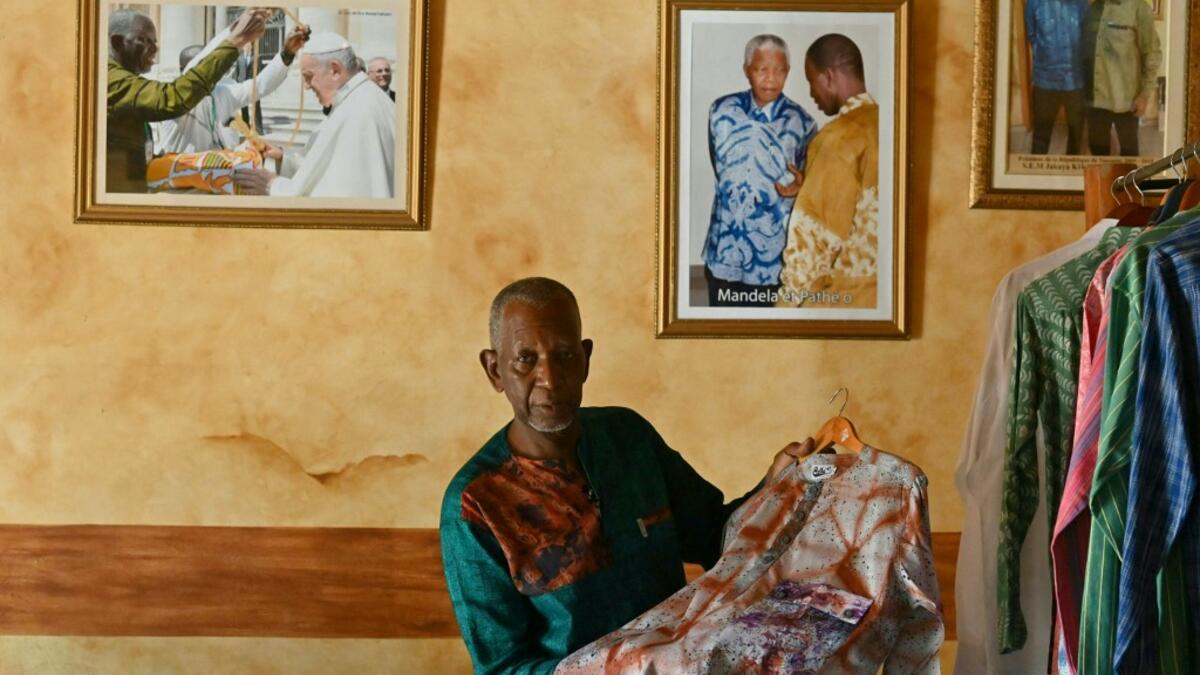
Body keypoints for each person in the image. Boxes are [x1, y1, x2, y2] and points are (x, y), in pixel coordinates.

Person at [440, 277, 811, 674]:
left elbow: (716, 537)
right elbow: (502, 667)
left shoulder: (629, 438)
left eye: (564, 354)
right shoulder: (476, 503)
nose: (549, 377)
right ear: (495, 370)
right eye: (526, 359)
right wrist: (614, 668)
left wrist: (774, 487)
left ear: (586, 358)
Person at [702, 35, 816, 307]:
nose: (770, 78)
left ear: (788, 73)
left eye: (779, 71)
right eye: (762, 69)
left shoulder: (803, 123)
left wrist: (802, 188)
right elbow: (718, 166)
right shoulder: (721, 111)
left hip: (772, 258)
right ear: (747, 70)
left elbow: (808, 180)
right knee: (720, 335)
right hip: (724, 251)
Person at [106, 8, 268, 193]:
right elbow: (172, 98)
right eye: (145, 41)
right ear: (117, 42)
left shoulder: (122, 77)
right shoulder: (109, 78)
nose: (155, 48)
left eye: (155, 41)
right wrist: (236, 40)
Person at [777, 34, 879, 309]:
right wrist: (810, 187)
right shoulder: (891, 126)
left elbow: (811, 246)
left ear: (829, 76)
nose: (812, 94)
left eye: (812, 82)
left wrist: (783, 311)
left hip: (846, 304)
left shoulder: (837, 140)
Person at [232, 32, 395, 198]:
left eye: (309, 77)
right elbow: (327, 168)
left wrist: (272, 186)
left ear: (335, 70)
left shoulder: (359, 114)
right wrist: (284, 158)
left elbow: (338, 200)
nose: (307, 87)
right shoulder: (358, 99)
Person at [157, 23, 311, 155]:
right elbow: (194, 70)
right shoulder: (171, 97)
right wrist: (239, 27)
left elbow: (260, 85)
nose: (210, 72)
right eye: (205, 68)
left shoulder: (222, 92)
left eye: (211, 66)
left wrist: (287, 53)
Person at [1082, 0, 1161, 156]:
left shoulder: (1139, 8)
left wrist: (1144, 94)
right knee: (1098, 154)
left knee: (1129, 156)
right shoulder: (1091, 9)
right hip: (1095, 99)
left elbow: (1152, 53)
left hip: (1126, 101)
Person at [1024, 0, 1088, 154]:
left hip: (1076, 82)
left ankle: (1070, 173)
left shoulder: (1082, 4)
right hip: (1045, 82)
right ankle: (1037, 177)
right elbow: (1031, 35)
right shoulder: (1034, 4)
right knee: (1041, 136)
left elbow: (1087, 39)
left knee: (1076, 135)